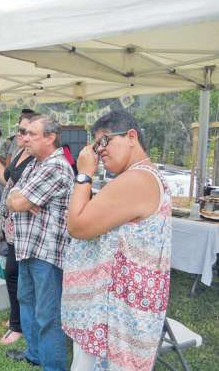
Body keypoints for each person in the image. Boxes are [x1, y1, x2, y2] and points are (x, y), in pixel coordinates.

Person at [63, 111, 171, 371]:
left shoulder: (136, 179)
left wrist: (84, 174)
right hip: (115, 309)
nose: (99, 152)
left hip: (114, 315)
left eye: (104, 142)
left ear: (131, 137)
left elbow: (77, 226)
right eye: (95, 146)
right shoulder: (141, 176)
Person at [5, 114, 74, 370]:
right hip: (29, 248)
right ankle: (34, 354)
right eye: (24, 133)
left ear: (51, 137)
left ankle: (52, 366)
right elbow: (13, 193)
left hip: (47, 253)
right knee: (27, 302)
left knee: (47, 315)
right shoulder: (36, 163)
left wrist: (23, 200)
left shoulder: (55, 166)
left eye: (32, 134)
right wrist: (20, 198)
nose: (25, 138)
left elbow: (20, 202)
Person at [0, 111, 37, 346]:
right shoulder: (19, 153)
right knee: (12, 274)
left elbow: (22, 194)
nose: (20, 134)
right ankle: (15, 319)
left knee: (15, 275)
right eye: (20, 130)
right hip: (10, 227)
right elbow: (6, 179)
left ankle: (18, 325)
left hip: (22, 228)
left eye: (25, 131)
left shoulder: (35, 159)